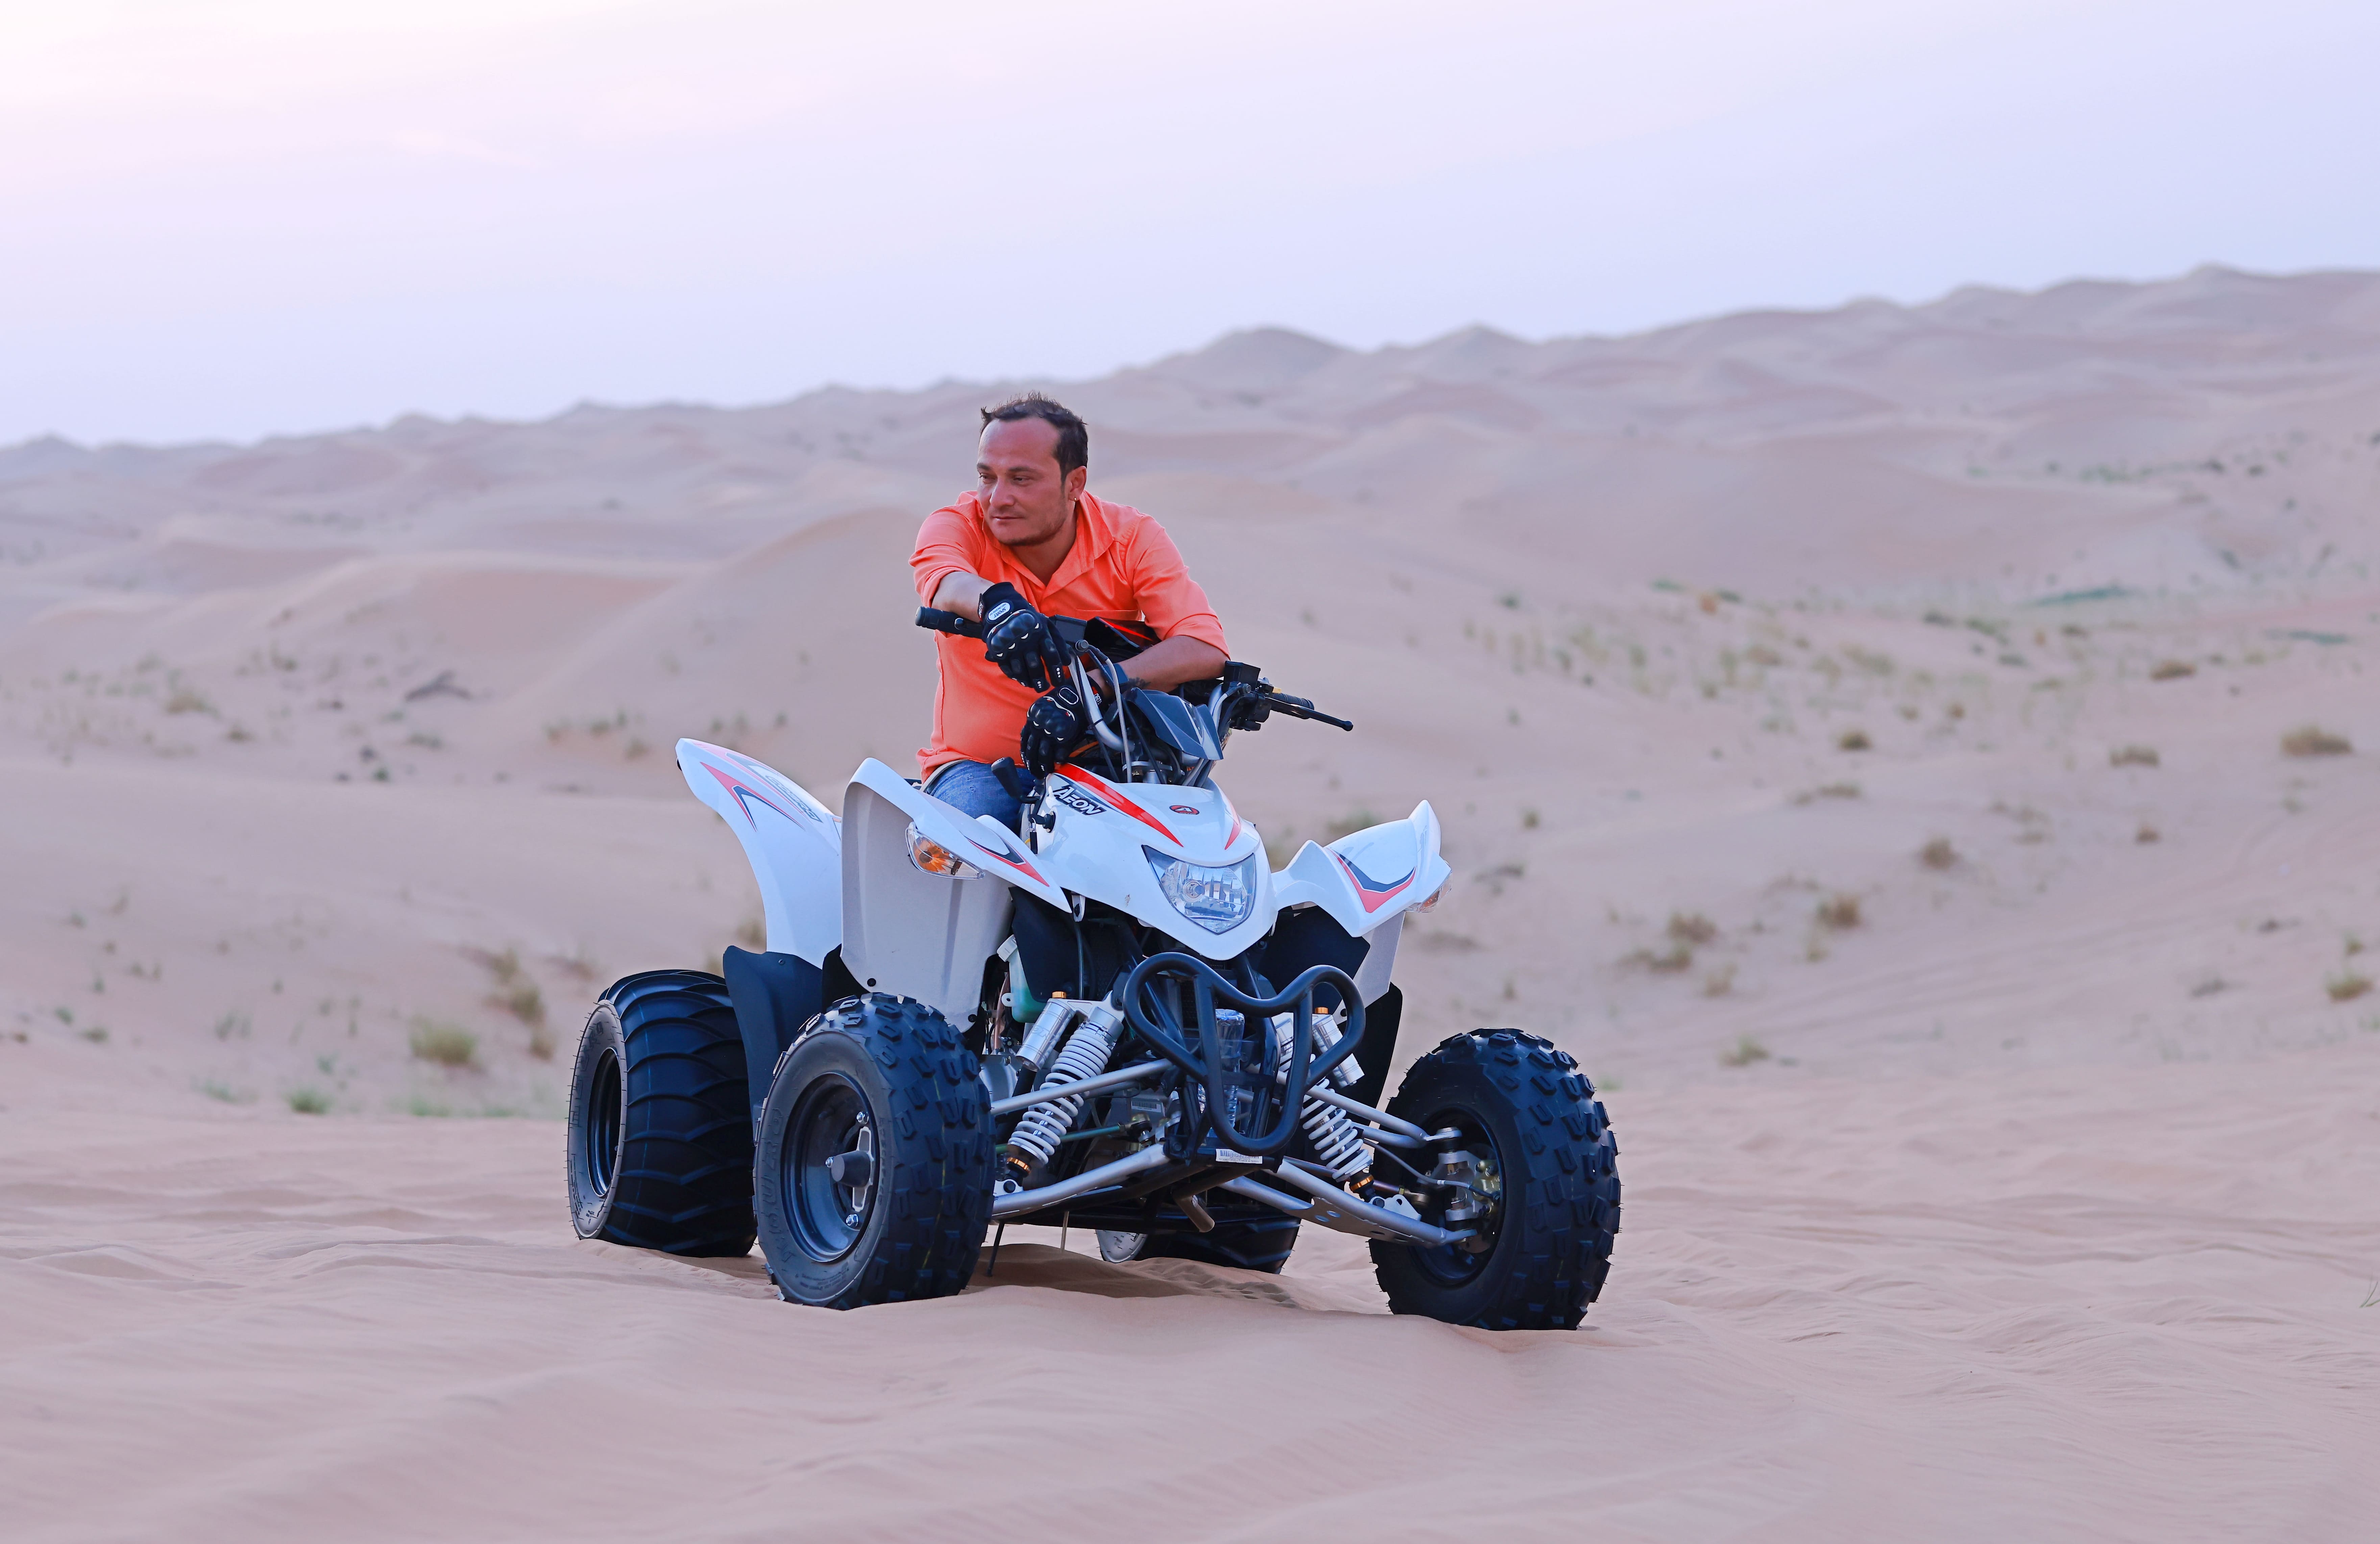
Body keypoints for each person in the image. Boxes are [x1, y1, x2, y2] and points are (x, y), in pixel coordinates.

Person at [911, 395, 1229, 827]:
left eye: (1021, 479)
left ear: (1075, 483)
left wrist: (1091, 690)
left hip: (1109, 773)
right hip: (979, 767)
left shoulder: (1131, 538)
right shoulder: (958, 523)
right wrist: (996, 606)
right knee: (976, 842)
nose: (997, 498)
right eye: (988, 477)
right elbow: (946, 582)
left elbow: (1203, 646)